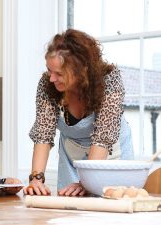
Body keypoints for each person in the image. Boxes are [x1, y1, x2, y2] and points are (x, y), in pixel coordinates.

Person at [23, 29, 134, 197]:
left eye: (59, 73)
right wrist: (36, 179)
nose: (51, 78)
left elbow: (103, 138)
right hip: (72, 156)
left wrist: (86, 181)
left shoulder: (110, 80)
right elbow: (43, 135)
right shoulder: (48, 84)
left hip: (111, 153)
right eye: (49, 70)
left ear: (81, 70)